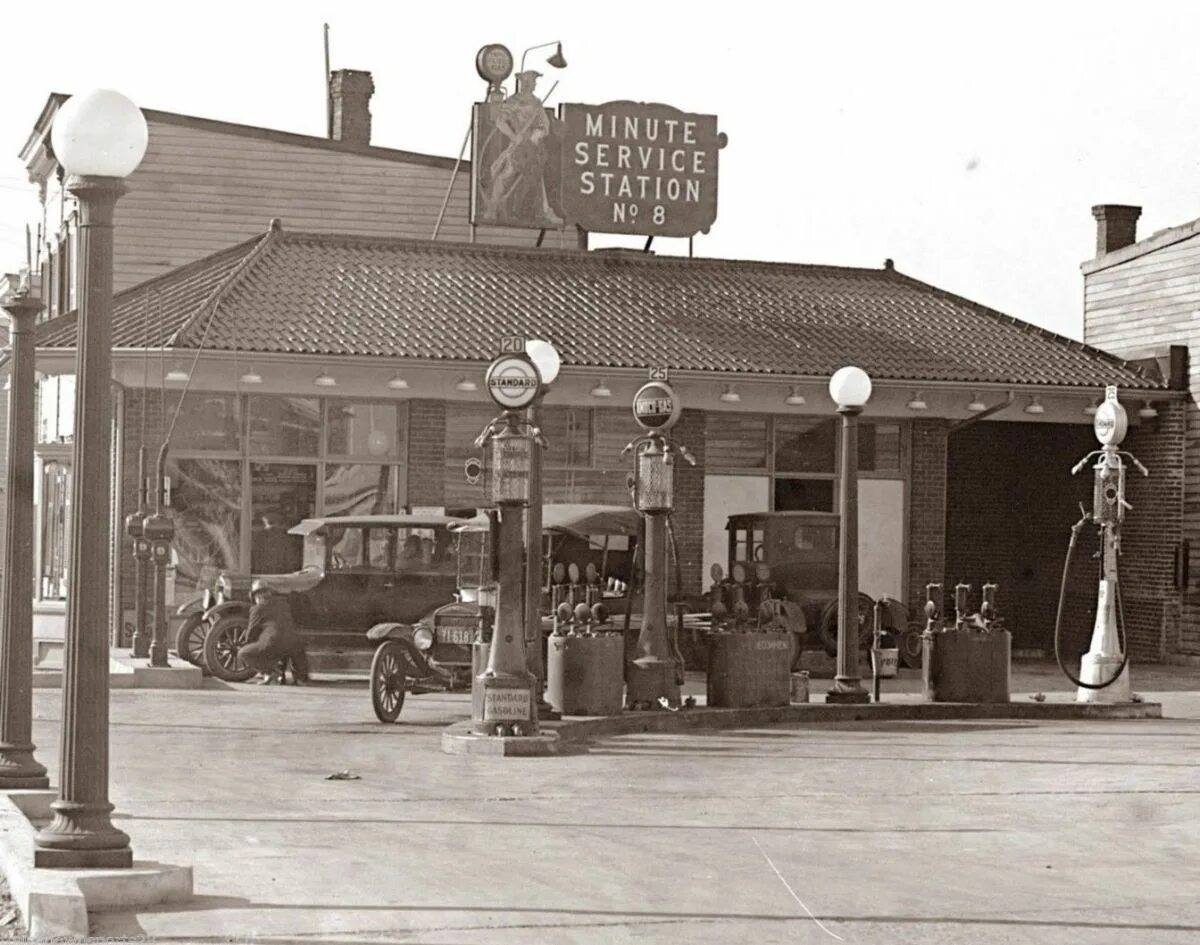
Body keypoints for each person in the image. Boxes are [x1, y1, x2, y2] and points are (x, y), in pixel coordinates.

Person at [481, 70, 563, 227]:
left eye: (533, 82)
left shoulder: (537, 102)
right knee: (507, 175)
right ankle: (492, 208)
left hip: (533, 148)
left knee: (538, 178)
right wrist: (514, 136)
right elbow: (500, 122)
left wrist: (538, 133)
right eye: (528, 82)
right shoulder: (513, 101)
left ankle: (546, 212)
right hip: (518, 147)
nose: (531, 84)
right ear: (522, 83)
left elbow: (545, 125)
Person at [242, 579, 310, 685]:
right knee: (289, 643)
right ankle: (301, 677)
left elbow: (252, 631)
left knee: (243, 653)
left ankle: (271, 672)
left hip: (274, 643)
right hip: (295, 643)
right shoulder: (284, 604)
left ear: (256, 596)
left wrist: (247, 643)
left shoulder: (257, 609)